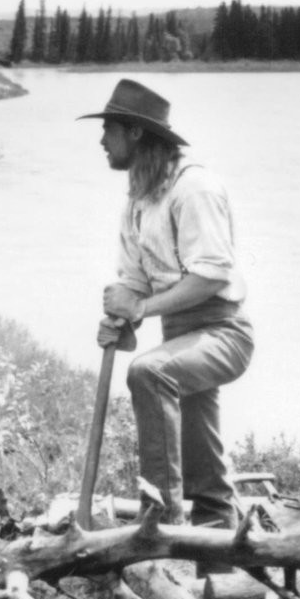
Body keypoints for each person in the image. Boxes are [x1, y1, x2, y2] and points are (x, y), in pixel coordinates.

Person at [83, 79, 254, 529]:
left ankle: (159, 519)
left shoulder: (193, 187)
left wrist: (138, 309)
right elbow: (135, 284)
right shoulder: (138, 200)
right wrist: (120, 319)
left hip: (223, 334)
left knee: (148, 371)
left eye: (109, 130)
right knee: (206, 470)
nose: (101, 141)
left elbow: (210, 276)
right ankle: (220, 583)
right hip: (179, 337)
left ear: (136, 133)